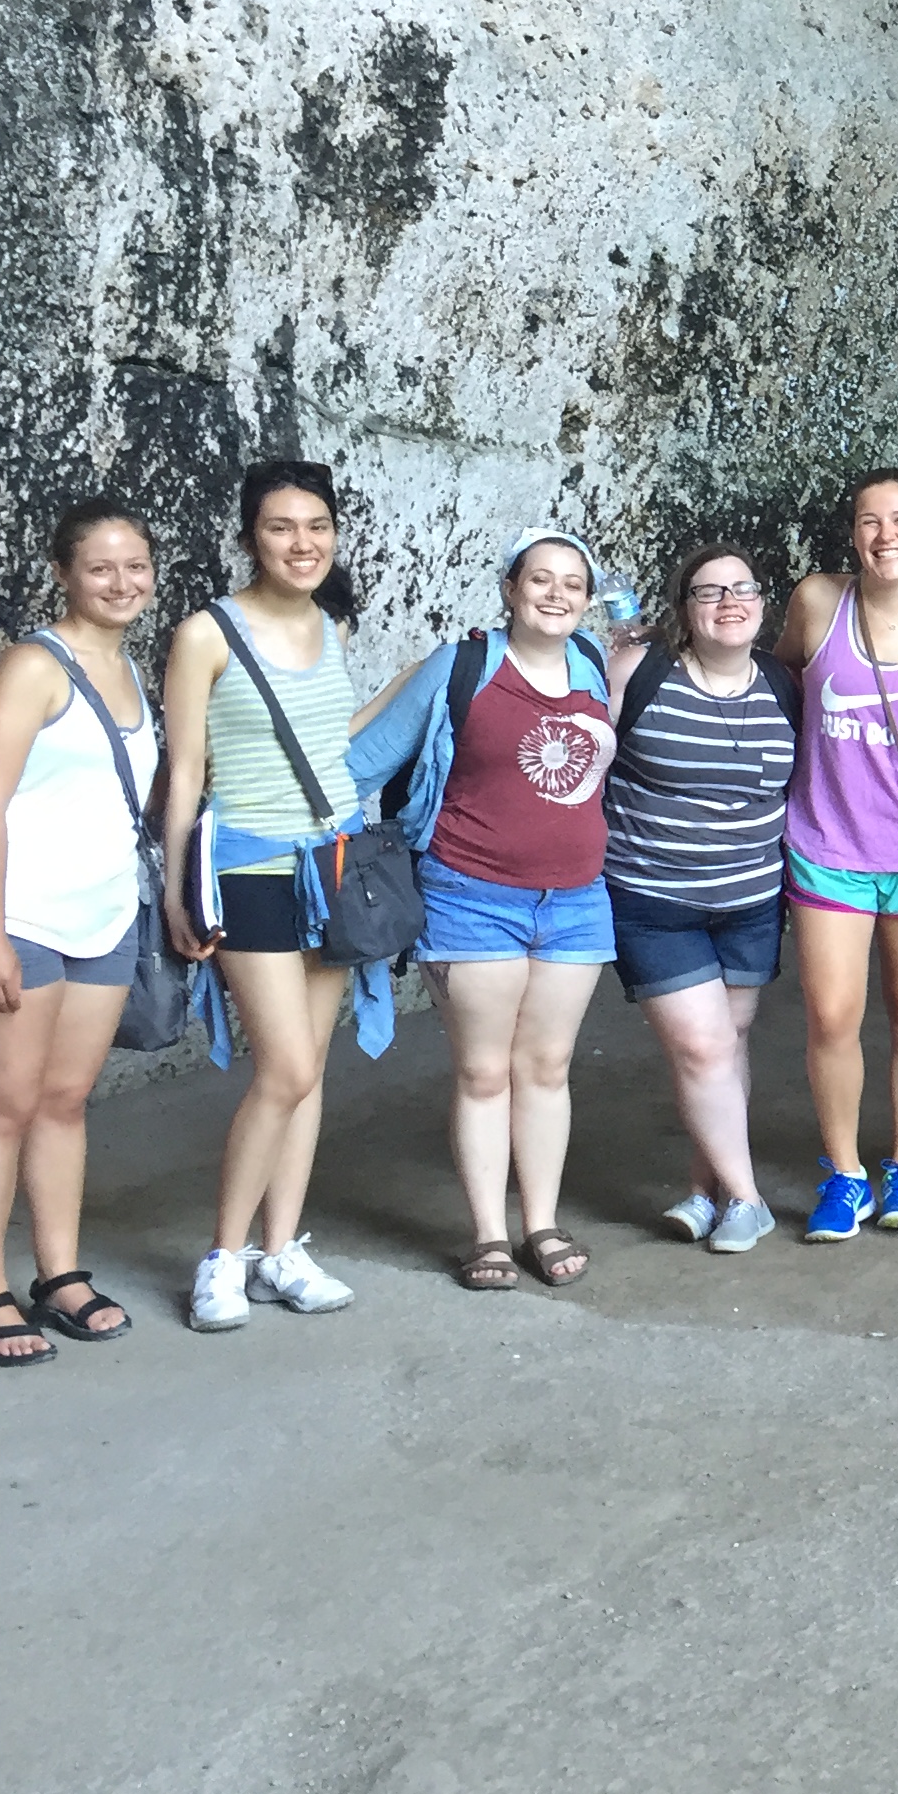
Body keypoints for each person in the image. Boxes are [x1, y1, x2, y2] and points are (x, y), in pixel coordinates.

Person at [350, 530, 621, 1292]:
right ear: (510, 588)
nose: (557, 593)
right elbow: (365, 761)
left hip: (575, 899)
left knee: (547, 1067)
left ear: (587, 599)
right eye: (541, 579)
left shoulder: (593, 665)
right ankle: (488, 1235)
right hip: (471, 895)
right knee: (482, 1071)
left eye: (573, 583)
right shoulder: (461, 666)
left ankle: (541, 1221)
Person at [0, 500, 159, 1365]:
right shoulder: (35, 665)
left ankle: (58, 1274)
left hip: (101, 920)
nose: (121, 583)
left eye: (135, 566)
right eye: (100, 568)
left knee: (64, 1104)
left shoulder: (129, 669)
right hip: (13, 918)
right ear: (64, 573)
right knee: (3, 1108)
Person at [160, 459, 374, 1334]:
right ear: (251, 535)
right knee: (282, 1065)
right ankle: (223, 1255)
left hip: (333, 864)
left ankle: (281, 1250)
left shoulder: (331, 625)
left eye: (316, 526)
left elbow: (333, 746)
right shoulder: (206, 633)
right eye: (282, 527)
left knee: (310, 1071)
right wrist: (176, 886)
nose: (302, 542)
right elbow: (183, 774)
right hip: (246, 866)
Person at [774, 472, 898, 1244]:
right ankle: (844, 1172)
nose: (886, 534)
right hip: (826, 840)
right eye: (869, 521)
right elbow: (774, 675)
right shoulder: (818, 601)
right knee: (833, 1015)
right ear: (853, 534)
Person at [608, 542, 803, 1255]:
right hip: (654, 900)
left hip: (750, 901)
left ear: (763, 603)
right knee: (703, 1044)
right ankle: (749, 1201)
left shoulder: (784, 684)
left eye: (742, 589)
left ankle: (704, 1191)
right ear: (683, 611)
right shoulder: (640, 669)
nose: (729, 603)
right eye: (708, 592)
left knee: (725, 1048)